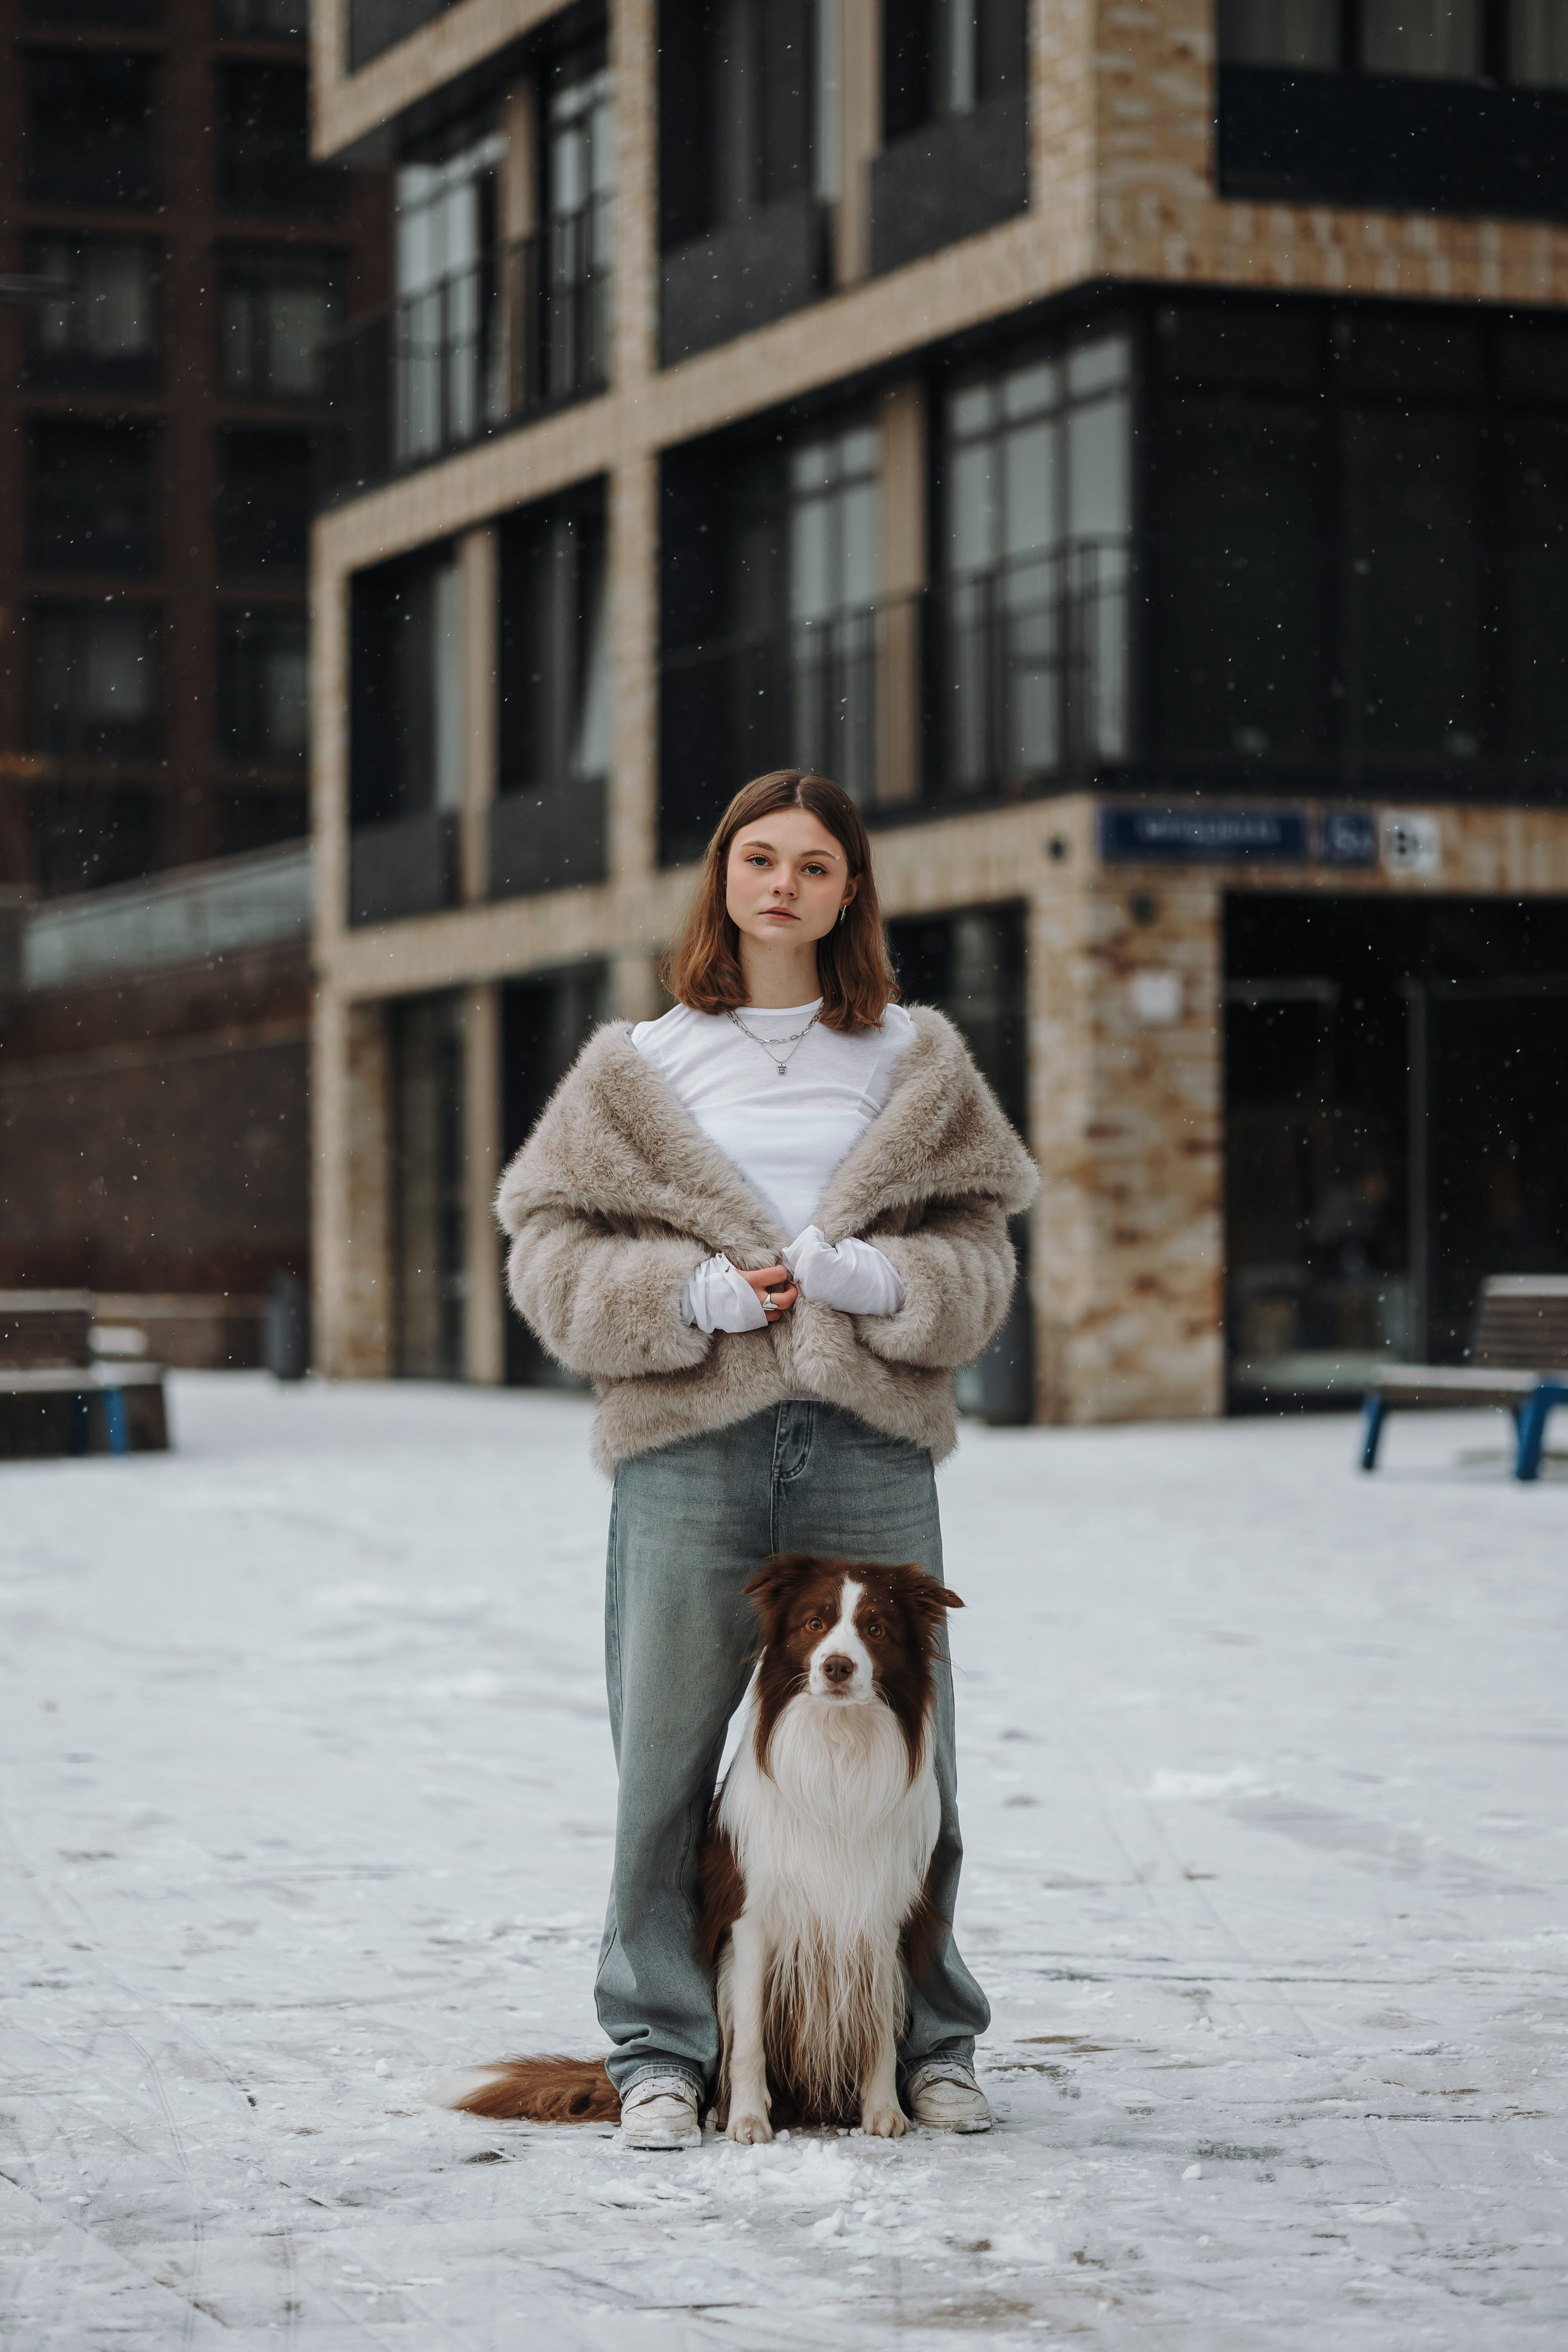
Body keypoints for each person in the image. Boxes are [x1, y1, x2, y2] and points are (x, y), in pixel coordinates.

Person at [496, 767, 1038, 2150]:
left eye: (811, 863)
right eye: (756, 857)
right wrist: (686, 1300)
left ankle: (929, 2046)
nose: (780, 883)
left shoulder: (915, 1062)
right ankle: (662, 2051)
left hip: (866, 1443)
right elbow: (547, 1251)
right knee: (665, 1766)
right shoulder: (640, 1062)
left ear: (849, 890)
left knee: (917, 1761)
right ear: (720, 878)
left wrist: (880, 1281)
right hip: (691, 1441)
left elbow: (980, 1258)